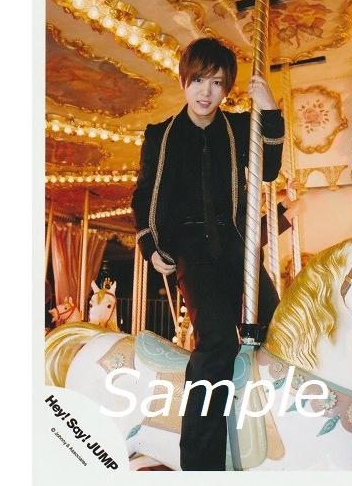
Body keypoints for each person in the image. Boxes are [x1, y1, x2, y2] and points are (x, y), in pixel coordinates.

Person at [131, 37, 284, 471]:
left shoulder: (238, 127)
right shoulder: (161, 135)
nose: (206, 91)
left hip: (235, 244)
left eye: (217, 83)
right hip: (192, 249)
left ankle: (272, 433)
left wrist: (269, 108)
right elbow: (144, 195)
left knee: (278, 330)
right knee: (216, 341)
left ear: (227, 89)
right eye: (198, 80)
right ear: (184, 80)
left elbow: (270, 168)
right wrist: (150, 244)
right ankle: (201, 464)